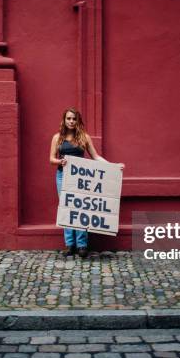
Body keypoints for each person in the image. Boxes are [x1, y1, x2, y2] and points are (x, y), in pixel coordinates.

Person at [50, 108, 124, 258]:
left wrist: (113, 166)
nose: (71, 121)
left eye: (74, 119)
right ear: (64, 120)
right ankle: (70, 245)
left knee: (81, 207)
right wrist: (60, 161)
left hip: (80, 179)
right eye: (68, 118)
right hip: (62, 176)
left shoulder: (84, 137)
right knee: (67, 208)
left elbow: (95, 157)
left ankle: (82, 245)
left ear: (78, 121)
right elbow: (51, 159)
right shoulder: (57, 138)